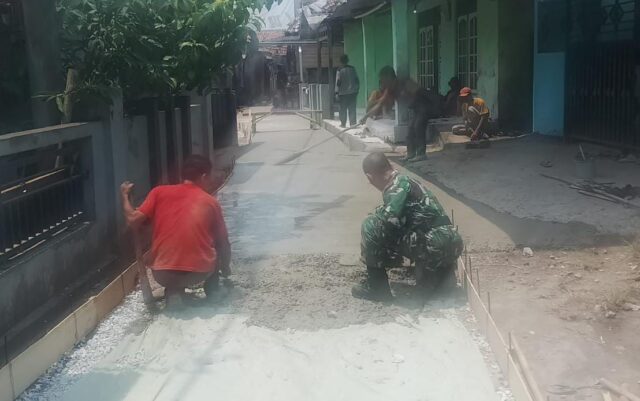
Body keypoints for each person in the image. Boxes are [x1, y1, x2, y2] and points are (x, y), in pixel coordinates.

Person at [121, 155, 231, 309]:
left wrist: (124, 196)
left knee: (173, 271)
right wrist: (225, 268)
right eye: (210, 176)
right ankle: (212, 290)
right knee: (219, 247)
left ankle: (173, 291)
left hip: (162, 274)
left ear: (182, 175)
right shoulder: (210, 202)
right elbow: (223, 242)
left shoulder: (158, 192)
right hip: (197, 273)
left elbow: (132, 219)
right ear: (204, 176)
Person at [352, 152, 463, 301]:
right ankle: (442, 278)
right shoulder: (406, 181)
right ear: (390, 166)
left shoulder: (396, 187)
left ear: (370, 177)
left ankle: (377, 287)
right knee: (435, 289)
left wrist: (387, 258)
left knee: (371, 224)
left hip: (434, 244)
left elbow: (389, 221)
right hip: (448, 244)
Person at [361, 66, 441, 162]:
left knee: (418, 126)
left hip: (424, 106)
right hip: (416, 109)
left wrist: (436, 104)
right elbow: (379, 104)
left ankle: (421, 154)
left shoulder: (404, 83)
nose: (382, 83)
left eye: (383, 80)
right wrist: (365, 117)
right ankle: (411, 154)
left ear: (390, 77)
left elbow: (422, 92)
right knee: (410, 130)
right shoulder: (390, 90)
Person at [335, 54, 360, 127]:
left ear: (340, 61)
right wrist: (357, 89)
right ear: (347, 60)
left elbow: (338, 82)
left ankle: (343, 124)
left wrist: (336, 93)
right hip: (353, 92)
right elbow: (356, 80)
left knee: (343, 109)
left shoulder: (339, 70)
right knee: (352, 109)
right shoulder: (353, 68)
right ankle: (353, 124)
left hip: (343, 93)